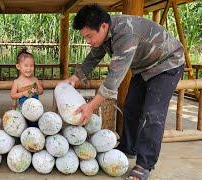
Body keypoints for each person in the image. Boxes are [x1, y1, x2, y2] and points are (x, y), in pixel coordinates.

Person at [65, 5, 184, 180]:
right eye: (85, 37)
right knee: (130, 108)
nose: (88, 41)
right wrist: (75, 78)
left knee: (153, 114)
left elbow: (113, 79)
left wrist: (90, 106)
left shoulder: (126, 33)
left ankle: (145, 164)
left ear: (104, 26)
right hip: (144, 68)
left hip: (167, 63)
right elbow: (93, 57)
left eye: (89, 36)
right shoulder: (104, 35)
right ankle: (129, 147)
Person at [10, 47, 43, 127]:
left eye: (31, 66)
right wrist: (23, 93)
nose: (29, 68)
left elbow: (41, 91)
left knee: (35, 125)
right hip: (22, 108)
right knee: (21, 125)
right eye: (26, 66)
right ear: (18, 67)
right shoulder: (17, 82)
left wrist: (37, 91)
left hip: (35, 108)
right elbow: (13, 95)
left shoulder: (35, 79)